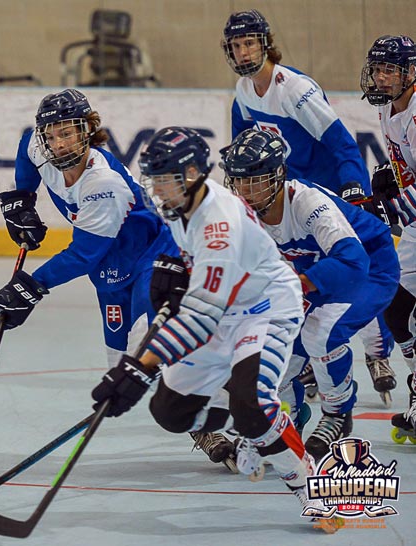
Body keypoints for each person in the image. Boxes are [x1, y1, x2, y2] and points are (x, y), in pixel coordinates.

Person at [88, 127, 340, 532]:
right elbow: (191, 288)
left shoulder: (219, 224)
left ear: (190, 175)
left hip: (267, 310)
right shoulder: (184, 205)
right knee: (170, 413)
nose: (157, 190)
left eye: (163, 181)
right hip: (225, 310)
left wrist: (139, 368)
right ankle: (249, 427)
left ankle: (309, 483)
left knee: (254, 405)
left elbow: (200, 317)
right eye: (153, 181)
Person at [0, 91, 234, 468]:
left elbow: (83, 254)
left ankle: (227, 411)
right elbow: (25, 149)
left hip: (153, 255)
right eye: (51, 135)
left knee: (150, 351)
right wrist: (22, 198)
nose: (57, 143)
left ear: (88, 130)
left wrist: (29, 288)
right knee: (119, 363)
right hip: (110, 265)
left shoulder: (103, 183)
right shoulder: (40, 145)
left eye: (67, 133)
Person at [221, 129, 400, 460]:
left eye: (254, 180)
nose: (245, 191)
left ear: (277, 176)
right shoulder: (241, 214)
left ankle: (337, 414)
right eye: (238, 181)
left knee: (319, 334)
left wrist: (295, 283)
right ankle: (292, 417)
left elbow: (352, 260)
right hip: (312, 272)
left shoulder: (306, 202)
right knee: (277, 354)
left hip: (370, 268)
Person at [222, 9, 369, 196]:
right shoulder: (243, 90)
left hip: (332, 188)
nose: (242, 52)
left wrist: (353, 185)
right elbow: (241, 137)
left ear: (264, 43)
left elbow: (342, 143)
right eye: (236, 46)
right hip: (295, 193)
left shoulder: (295, 89)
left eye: (249, 43)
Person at [360, 34, 416, 439]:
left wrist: (389, 206)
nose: (380, 78)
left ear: (411, 72)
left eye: (389, 70)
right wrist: (390, 175)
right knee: (397, 305)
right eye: (377, 69)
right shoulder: (389, 108)